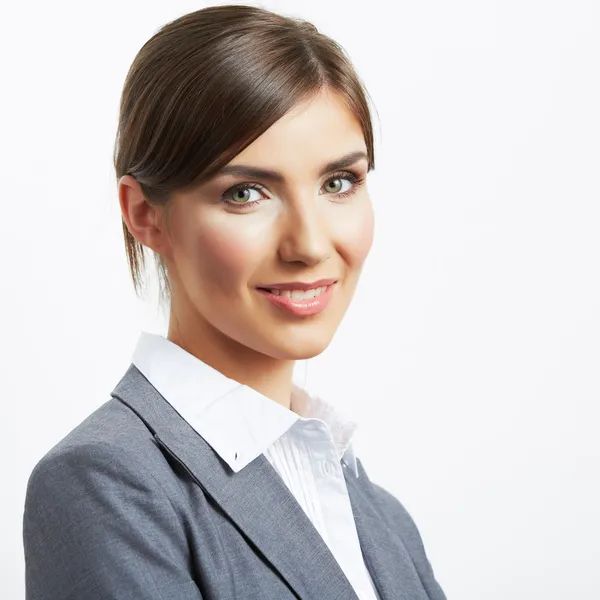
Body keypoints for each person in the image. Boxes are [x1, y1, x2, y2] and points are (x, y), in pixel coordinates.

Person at [22, 5, 446, 599]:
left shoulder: (379, 517)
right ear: (146, 214)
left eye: (338, 183)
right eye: (246, 192)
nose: (309, 243)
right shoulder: (105, 483)